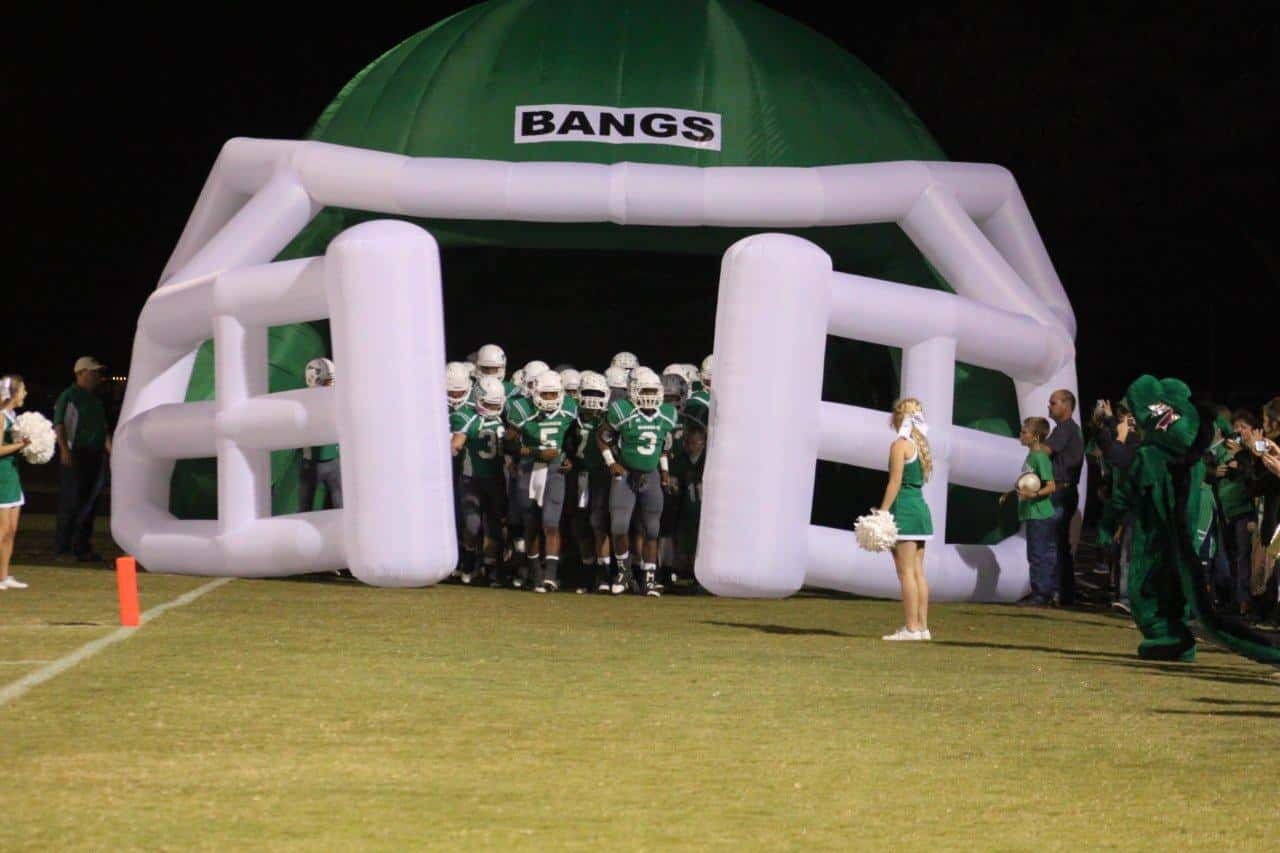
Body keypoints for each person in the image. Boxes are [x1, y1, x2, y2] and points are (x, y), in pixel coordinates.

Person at [600, 367, 678, 597]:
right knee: (619, 526)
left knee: (652, 529)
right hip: (625, 475)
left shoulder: (666, 414)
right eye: (645, 390)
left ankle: (650, 579)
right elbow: (602, 437)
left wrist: (664, 470)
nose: (649, 395)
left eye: (653, 390)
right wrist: (611, 462)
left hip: (651, 475)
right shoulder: (623, 411)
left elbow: (663, 445)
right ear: (633, 390)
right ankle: (624, 573)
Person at [878, 398, 933, 641]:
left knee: (906, 573)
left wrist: (882, 512)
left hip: (905, 511)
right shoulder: (921, 444)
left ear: (898, 417)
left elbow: (895, 482)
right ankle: (922, 627)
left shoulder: (900, 445)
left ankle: (911, 628)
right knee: (918, 572)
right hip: (921, 510)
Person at [53, 356, 111, 562]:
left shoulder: (96, 399)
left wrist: (110, 452)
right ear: (80, 373)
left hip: (95, 456)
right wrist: (64, 450)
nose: (96, 376)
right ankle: (63, 549)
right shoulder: (69, 396)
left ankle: (83, 547)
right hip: (76, 454)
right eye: (92, 372)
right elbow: (60, 425)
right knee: (71, 502)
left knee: (90, 502)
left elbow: (103, 430)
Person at [1003, 417, 1057, 606]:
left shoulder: (1040, 458)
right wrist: (1012, 492)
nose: (1021, 435)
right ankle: (1039, 592)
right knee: (1034, 554)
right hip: (1031, 513)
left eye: (1024, 432)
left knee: (1038, 554)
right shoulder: (1031, 456)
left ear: (1035, 437)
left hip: (1040, 514)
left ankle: (1042, 595)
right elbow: (1028, 482)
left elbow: (1051, 486)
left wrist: (1034, 495)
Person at [1043, 389, 1084, 605]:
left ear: (1066, 406)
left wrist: (1032, 438)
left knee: (1052, 544)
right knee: (1059, 545)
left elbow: (1044, 451)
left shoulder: (1065, 429)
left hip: (1061, 491)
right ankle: (1064, 594)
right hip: (1063, 491)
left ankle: (1050, 593)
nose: (1049, 406)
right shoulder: (1068, 429)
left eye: (1053, 402)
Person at [298, 358, 342, 511]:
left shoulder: (331, 399)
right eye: (328, 380)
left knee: (340, 505)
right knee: (306, 507)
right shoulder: (306, 402)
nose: (331, 383)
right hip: (314, 462)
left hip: (330, 460)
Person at [0, 376, 32, 590]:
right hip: (1, 477)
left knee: (11, 530)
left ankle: (4, 576)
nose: (25, 393)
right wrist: (21, 445)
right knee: (2, 530)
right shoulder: (1, 417)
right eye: (22, 390)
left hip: (13, 475)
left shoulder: (13, 415)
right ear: (12, 394)